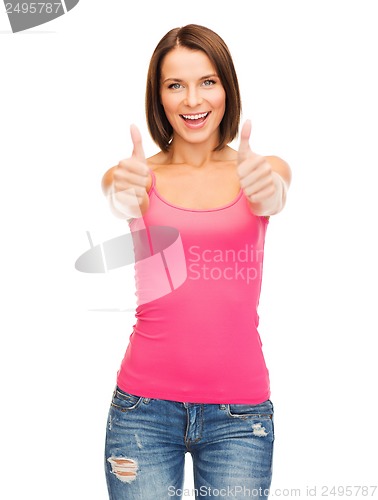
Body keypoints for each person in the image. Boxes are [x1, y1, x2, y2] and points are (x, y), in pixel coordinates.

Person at [101, 24, 291, 500]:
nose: (192, 100)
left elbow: (277, 194)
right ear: (159, 96)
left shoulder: (261, 171)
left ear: (226, 88)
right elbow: (116, 195)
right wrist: (119, 193)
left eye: (207, 81)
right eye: (175, 85)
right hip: (142, 410)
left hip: (240, 416)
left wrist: (271, 190)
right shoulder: (136, 176)